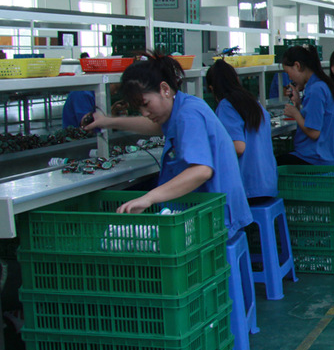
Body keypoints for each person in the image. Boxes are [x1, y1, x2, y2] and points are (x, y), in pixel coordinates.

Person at [85, 53, 252, 236]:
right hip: (210, 212)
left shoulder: (188, 115)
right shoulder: (183, 106)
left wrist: (149, 198)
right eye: (139, 109)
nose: (145, 113)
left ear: (164, 89)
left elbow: (201, 171)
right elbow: (154, 126)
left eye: (146, 104)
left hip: (215, 221)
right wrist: (107, 122)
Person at [206, 60, 276, 201]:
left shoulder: (226, 106)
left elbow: (238, 147)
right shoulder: (255, 104)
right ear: (237, 80)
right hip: (268, 185)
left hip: (249, 190)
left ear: (212, 88)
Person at [279, 46, 334, 166]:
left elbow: (314, 132)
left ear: (297, 66)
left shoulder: (316, 90)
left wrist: (295, 113)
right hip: (323, 154)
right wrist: (298, 104)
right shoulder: (322, 84)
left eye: (288, 73)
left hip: (314, 158)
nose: (289, 78)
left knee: (273, 165)